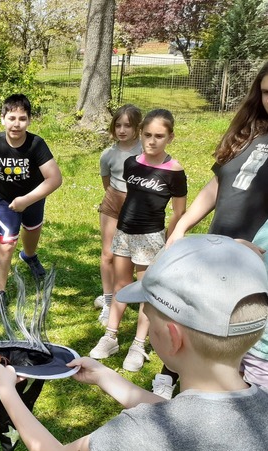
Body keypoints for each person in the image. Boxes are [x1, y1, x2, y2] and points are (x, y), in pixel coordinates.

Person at [0, 234, 268, 451]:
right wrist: (107, 378)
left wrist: (7, 391)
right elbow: (194, 416)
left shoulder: (149, 432)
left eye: (148, 316)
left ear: (172, 337)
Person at [162, 61, 268, 396]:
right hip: (217, 257)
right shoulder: (251, 133)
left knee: (239, 346)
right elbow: (219, 184)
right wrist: (182, 226)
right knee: (203, 334)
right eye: (267, 92)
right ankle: (182, 389)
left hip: (254, 267)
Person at [89, 109, 187, 373]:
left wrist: (169, 241)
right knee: (121, 285)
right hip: (124, 233)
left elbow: (179, 212)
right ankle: (110, 337)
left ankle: (138, 344)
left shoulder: (174, 171)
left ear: (170, 137)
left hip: (150, 238)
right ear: (141, 134)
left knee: (146, 291)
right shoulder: (132, 163)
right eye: (147, 135)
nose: (152, 141)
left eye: (159, 136)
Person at [0, 94, 63, 312]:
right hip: (4, 201)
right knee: (6, 243)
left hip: (33, 198)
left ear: (29, 120)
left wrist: (26, 200)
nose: (16, 124)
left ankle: (29, 256)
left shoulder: (36, 144)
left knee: (32, 230)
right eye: (11, 118)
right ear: (2, 119)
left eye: (22, 118)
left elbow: (55, 178)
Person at [95, 104, 142, 326]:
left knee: (134, 256)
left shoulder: (145, 152)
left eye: (128, 126)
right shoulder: (108, 155)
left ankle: (126, 293)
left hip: (138, 206)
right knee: (108, 254)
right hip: (112, 204)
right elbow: (107, 184)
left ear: (138, 128)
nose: (122, 130)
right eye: (118, 125)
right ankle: (107, 301)